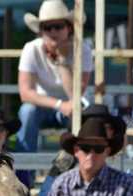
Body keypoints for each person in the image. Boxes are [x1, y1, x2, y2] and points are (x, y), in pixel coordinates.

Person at [16, 0, 93, 155]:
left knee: (82, 116)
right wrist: (59, 104)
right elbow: (25, 93)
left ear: (69, 28)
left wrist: (62, 62)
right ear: (41, 31)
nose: (53, 32)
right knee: (27, 111)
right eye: (47, 27)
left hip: (73, 107)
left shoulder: (83, 50)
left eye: (58, 26)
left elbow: (75, 95)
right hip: (43, 106)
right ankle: (24, 171)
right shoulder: (31, 48)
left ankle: (70, 169)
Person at [37, 103, 126, 196]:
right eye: (93, 124)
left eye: (106, 127)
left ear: (112, 131)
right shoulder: (69, 156)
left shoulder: (118, 157)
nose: (98, 129)